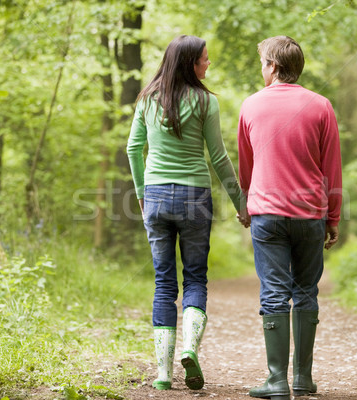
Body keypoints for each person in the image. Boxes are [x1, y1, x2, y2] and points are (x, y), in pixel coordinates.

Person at [126, 35, 245, 391]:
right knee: (195, 278)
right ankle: (190, 348)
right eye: (204, 60)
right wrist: (242, 203)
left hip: (158, 197)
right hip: (195, 196)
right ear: (190, 63)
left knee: (164, 284)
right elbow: (219, 158)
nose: (208, 65)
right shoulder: (206, 101)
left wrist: (142, 195)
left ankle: (163, 374)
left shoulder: (147, 98)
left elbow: (134, 149)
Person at [237, 36, 342, 400]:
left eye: (263, 62)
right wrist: (334, 218)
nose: (261, 68)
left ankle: (277, 380)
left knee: (274, 293)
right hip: (311, 213)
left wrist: (245, 205)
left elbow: (246, 168)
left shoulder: (250, 106)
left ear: (273, 66)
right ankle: (302, 378)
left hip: (266, 213)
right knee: (305, 291)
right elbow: (331, 168)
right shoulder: (321, 106)